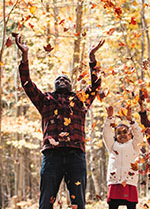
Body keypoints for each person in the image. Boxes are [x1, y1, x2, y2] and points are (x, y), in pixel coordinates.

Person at [13, 33, 105, 209]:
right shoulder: (45, 100)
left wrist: (92, 59)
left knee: (78, 202)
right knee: (46, 200)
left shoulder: (80, 99)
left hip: (76, 154)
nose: (62, 80)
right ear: (54, 85)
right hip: (52, 155)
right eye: (58, 79)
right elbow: (27, 83)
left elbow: (96, 85)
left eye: (65, 79)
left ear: (70, 85)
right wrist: (25, 56)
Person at [103, 105, 143, 209]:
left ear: (130, 134)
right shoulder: (112, 146)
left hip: (130, 180)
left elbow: (139, 135)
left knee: (131, 206)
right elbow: (106, 134)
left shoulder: (134, 146)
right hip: (115, 181)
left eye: (125, 132)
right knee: (112, 205)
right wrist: (109, 118)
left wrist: (131, 120)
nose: (122, 135)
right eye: (119, 133)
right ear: (115, 136)